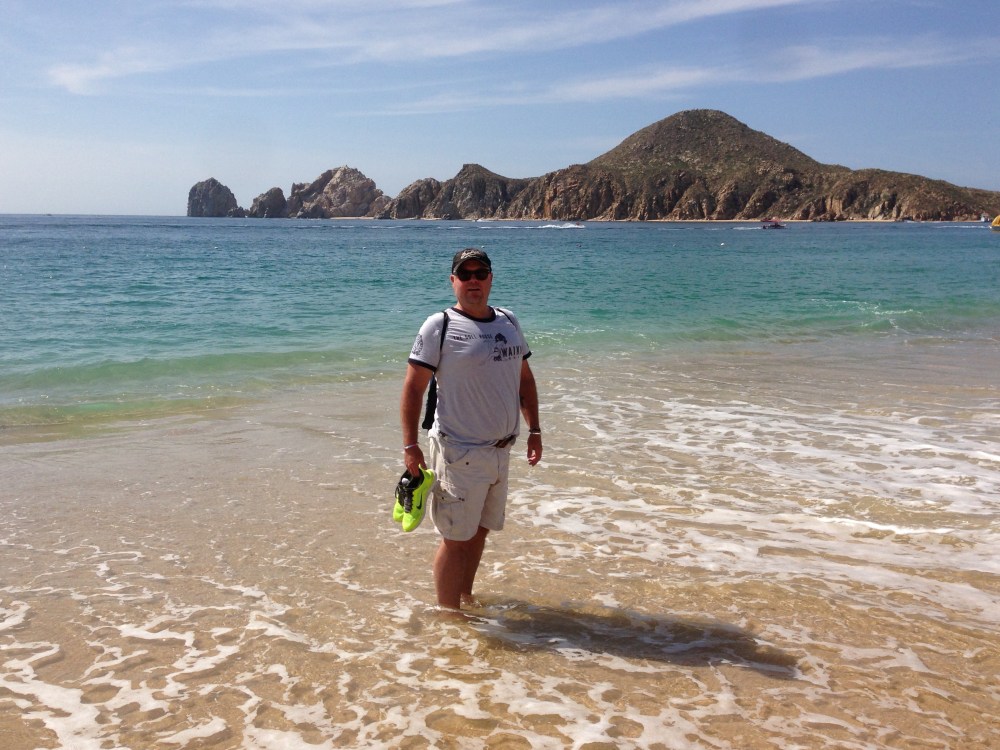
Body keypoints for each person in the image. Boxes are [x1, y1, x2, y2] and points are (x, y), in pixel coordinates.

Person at [400, 248, 542, 610]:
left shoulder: (508, 320)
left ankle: (464, 599)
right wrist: (409, 446)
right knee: (454, 538)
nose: (474, 280)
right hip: (458, 451)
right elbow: (413, 387)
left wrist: (535, 430)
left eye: (481, 273)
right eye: (466, 275)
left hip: (500, 449)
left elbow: (524, 379)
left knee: (479, 531)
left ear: (491, 279)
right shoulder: (439, 326)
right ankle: (449, 621)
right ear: (453, 282)